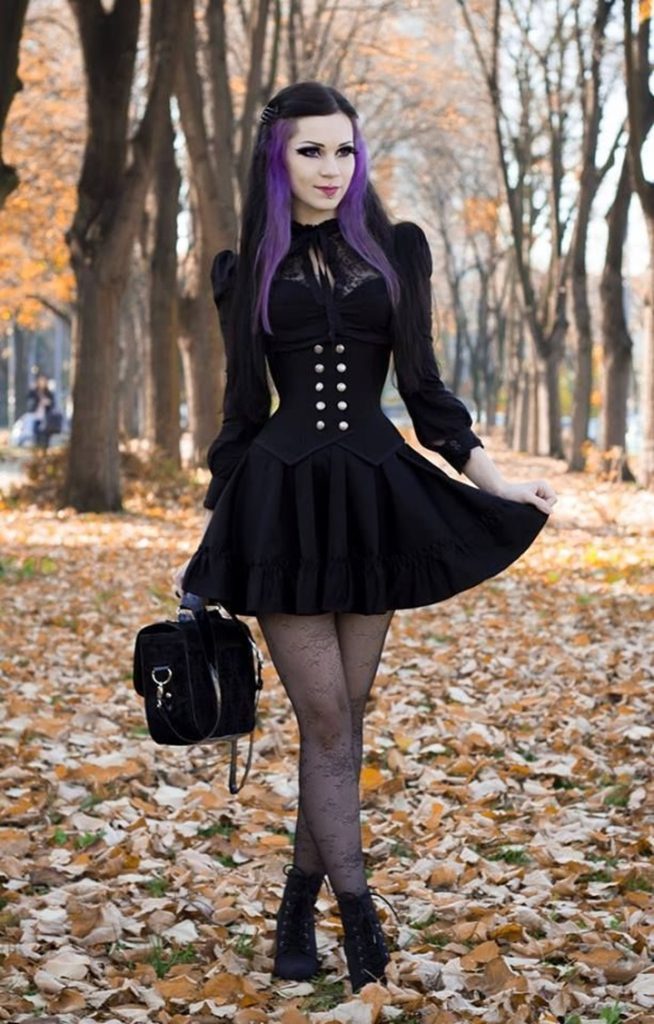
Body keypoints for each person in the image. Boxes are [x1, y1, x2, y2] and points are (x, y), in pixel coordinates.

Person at [173, 81, 557, 993]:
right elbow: (239, 407)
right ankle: (360, 922)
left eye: (344, 151)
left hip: (375, 501)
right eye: (311, 151)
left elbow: (424, 391)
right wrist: (214, 534)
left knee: (339, 726)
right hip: (282, 507)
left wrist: (497, 480)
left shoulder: (396, 252)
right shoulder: (250, 263)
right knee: (330, 720)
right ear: (278, 157)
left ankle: (296, 901)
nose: (330, 169)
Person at [26, 372, 55, 450]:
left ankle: (44, 452)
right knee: (36, 437)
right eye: (40, 380)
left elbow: (53, 405)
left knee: (46, 438)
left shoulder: (49, 393)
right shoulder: (33, 392)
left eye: (44, 380)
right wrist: (38, 400)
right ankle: (37, 452)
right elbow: (29, 401)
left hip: (46, 418)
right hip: (35, 417)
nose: (42, 382)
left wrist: (48, 402)